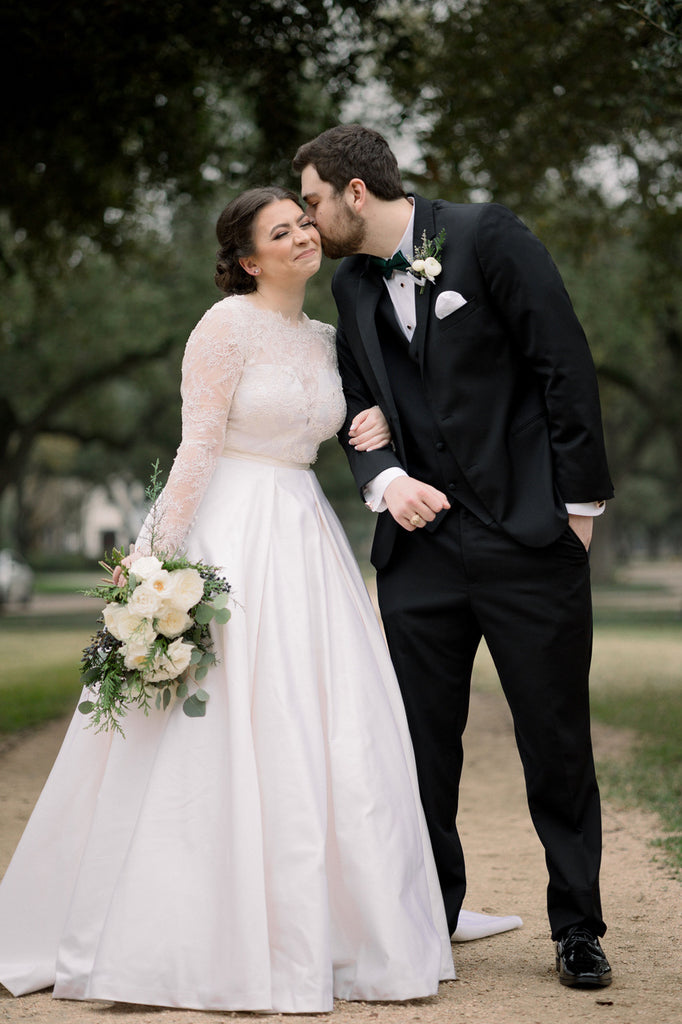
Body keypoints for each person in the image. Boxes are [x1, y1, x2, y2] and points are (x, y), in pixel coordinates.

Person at [0, 186, 455, 1012]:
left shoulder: (329, 337)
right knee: (213, 721)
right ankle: (182, 928)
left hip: (305, 537)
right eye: (280, 232)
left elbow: (359, 411)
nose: (301, 237)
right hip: (230, 534)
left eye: (303, 223)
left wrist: (378, 427)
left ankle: (332, 929)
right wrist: (150, 566)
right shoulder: (223, 326)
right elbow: (196, 447)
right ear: (249, 258)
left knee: (321, 723)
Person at [293, 125, 615, 989]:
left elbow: (564, 369)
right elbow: (358, 404)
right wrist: (384, 476)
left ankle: (577, 926)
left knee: (554, 739)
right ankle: (426, 921)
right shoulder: (350, 285)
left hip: (528, 536)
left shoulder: (487, 236)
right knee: (417, 748)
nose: (309, 217)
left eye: (315, 200)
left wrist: (578, 510)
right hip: (419, 551)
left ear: (356, 192)